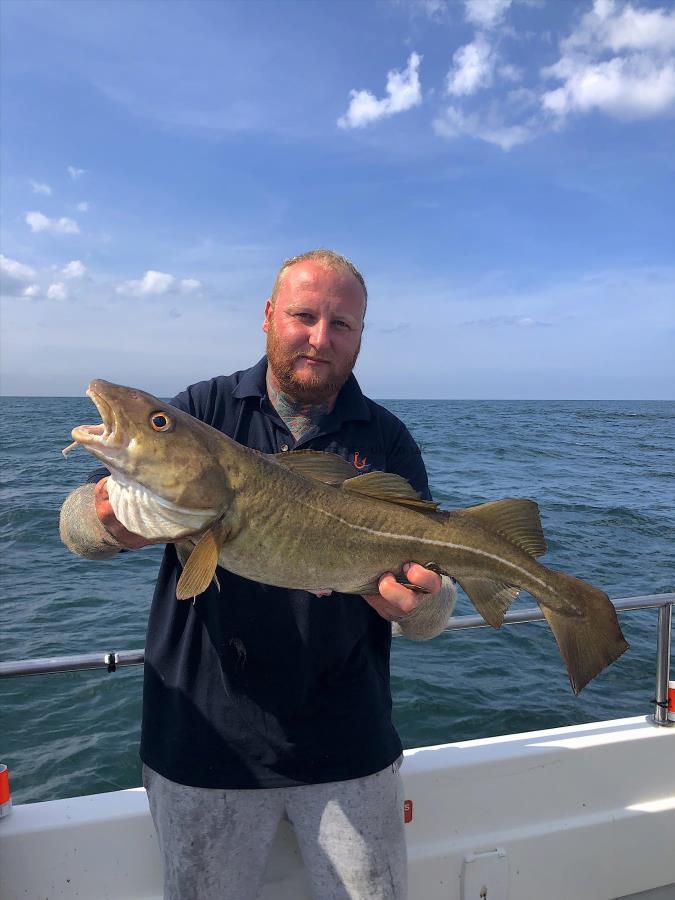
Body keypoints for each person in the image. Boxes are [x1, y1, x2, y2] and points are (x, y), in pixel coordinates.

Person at [60, 249, 456, 900]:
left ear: (360, 335)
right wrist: (104, 518)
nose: (319, 338)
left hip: (349, 744)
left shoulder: (385, 440)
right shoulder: (202, 409)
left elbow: (430, 608)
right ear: (269, 316)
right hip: (201, 743)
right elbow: (76, 527)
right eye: (303, 315)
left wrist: (422, 605)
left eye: (341, 325)